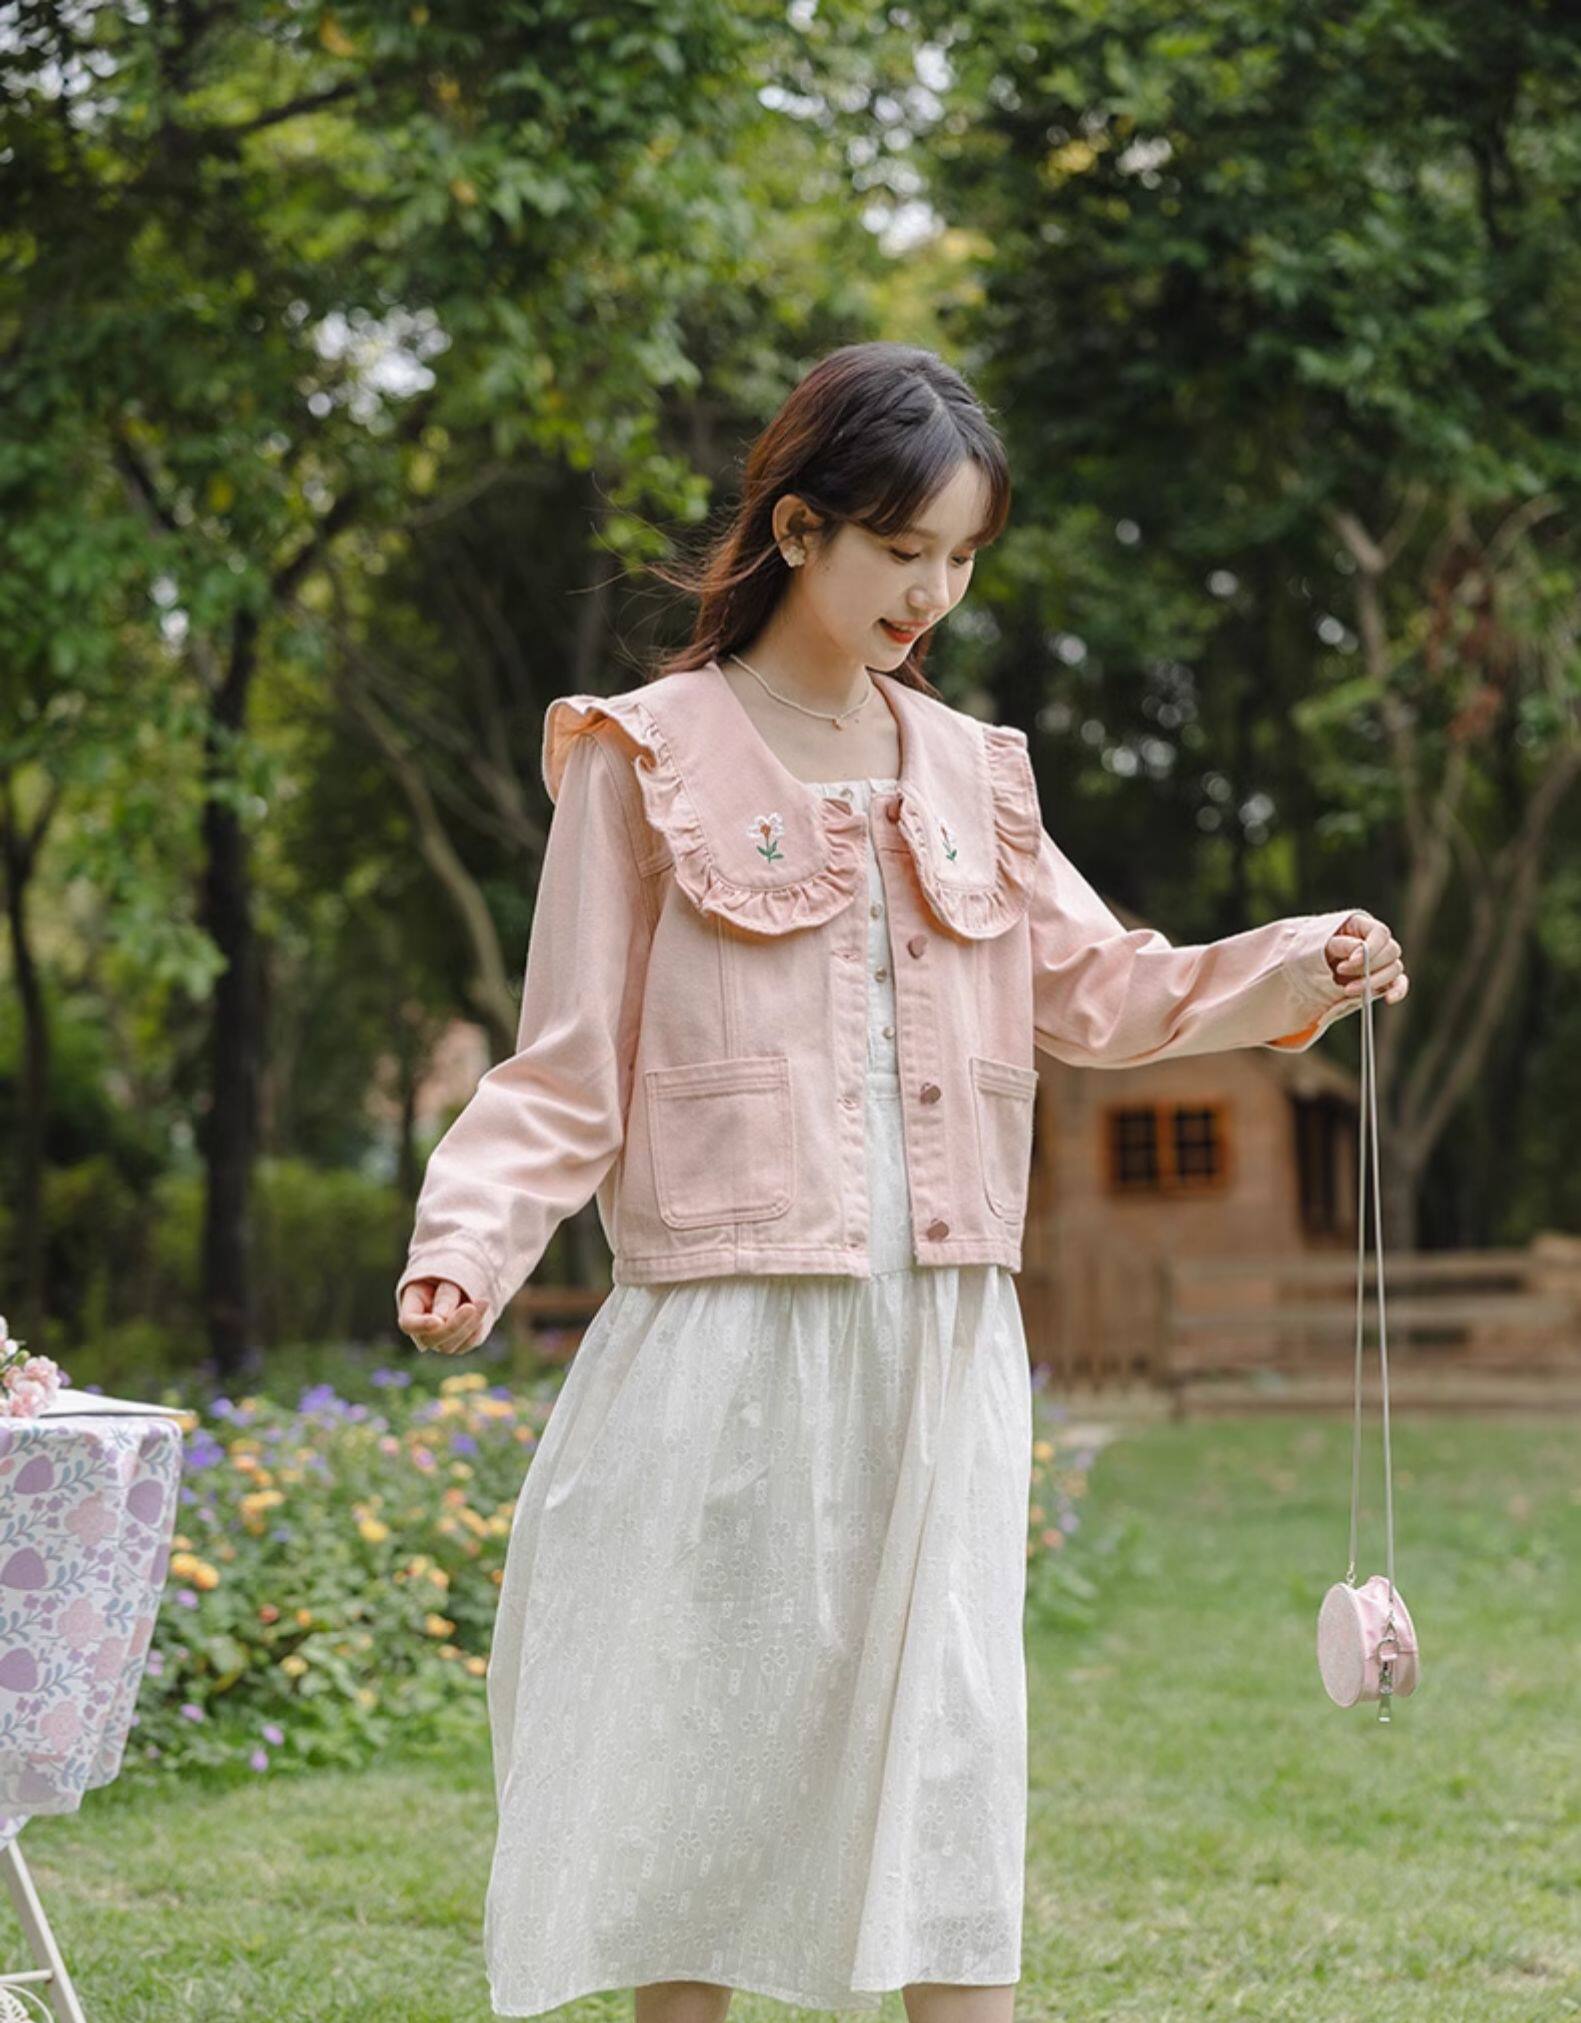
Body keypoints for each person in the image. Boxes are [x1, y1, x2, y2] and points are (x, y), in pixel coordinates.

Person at [394, 341, 1409, 2023]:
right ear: (798, 529)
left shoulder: (971, 771)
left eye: (961, 558)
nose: (932, 594)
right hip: (727, 1333)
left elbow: (1103, 990)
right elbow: (567, 1063)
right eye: (900, 550)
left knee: (949, 1742)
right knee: (703, 1742)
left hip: (940, 1334)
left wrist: (1302, 960)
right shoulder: (645, 758)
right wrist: (470, 1243)